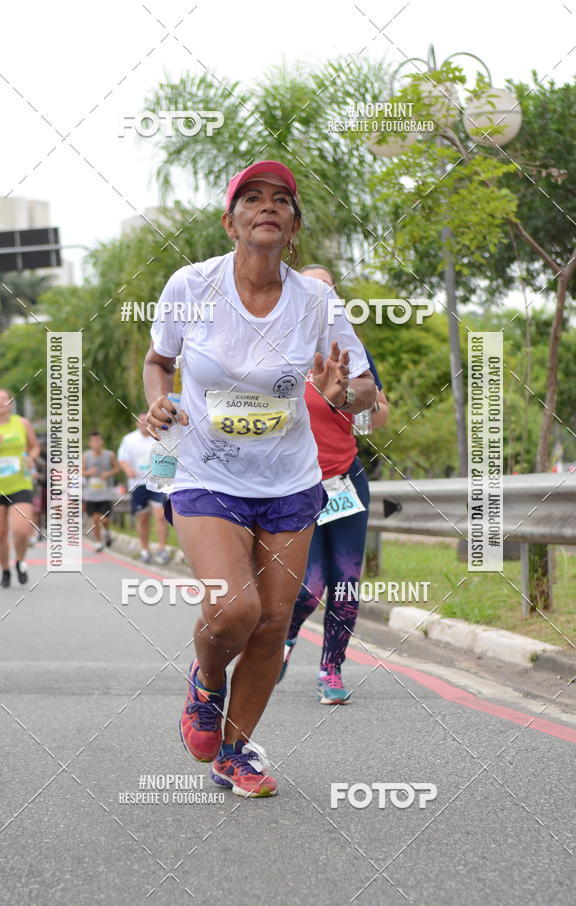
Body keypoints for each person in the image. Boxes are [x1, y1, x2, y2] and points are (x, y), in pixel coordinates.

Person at [143, 160, 376, 798]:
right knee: (233, 611)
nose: (267, 206)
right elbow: (158, 360)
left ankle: (236, 751)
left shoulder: (315, 301)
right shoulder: (191, 286)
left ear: (293, 227)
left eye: (281, 200)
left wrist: (340, 394)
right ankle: (206, 683)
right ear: (231, 220)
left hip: (289, 482)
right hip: (205, 473)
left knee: (273, 621)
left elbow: (363, 386)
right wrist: (159, 401)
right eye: (252, 198)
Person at [277, 265, 389, 704]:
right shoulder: (279, 347)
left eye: (328, 290)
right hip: (297, 484)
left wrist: (345, 396)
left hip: (345, 480)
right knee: (310, 587)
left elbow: (378, 409)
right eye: (312, 288)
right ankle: (286, 636)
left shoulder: (349, 349)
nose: (321, 296)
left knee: (344, 584)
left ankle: (332, 669)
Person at [0, 388, 40, 587]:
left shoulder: (22, 423)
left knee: (21, 530)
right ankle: (5, 570)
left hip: (20, 484)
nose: (1, 401)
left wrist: (32, 458)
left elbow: (34, 446)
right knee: (0, 532)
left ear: (11, 403)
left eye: (5, 398)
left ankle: (20, 561)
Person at [117, 415, 170, 565]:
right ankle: (145, 550)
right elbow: (122, 458)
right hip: (138, 483)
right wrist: (128, 470)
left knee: (160, 515)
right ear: (137, 423)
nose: (144, 424)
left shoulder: (159, 436)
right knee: (143, 518)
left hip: (157, 481)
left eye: (147, 421)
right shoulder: (129, 439)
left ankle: (162, 549)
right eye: (141, 421)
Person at [82, 431, 120, 552]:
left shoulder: (109, 455)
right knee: (95, 519)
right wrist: (89, 472)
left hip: (105, 493)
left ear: (102, 442)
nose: (96, 443)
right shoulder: (86, 456)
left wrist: (108, 474)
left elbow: (117, 468)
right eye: (93, 441)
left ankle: (107, 531)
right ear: (90, 443)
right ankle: (98, 542)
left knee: (105, 520)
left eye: (98, 440)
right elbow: (81, 471)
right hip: (91, 494)